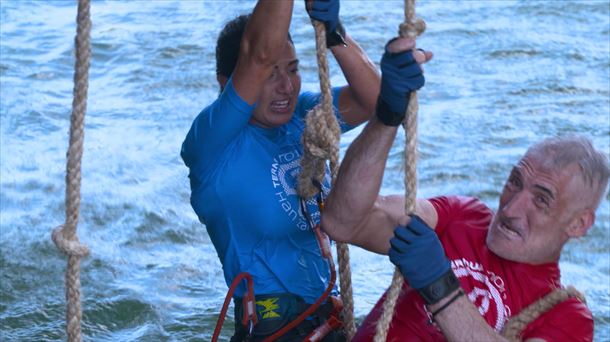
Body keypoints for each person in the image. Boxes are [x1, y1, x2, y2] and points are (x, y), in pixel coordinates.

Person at [320, 37, 609, 341]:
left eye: (541, 199)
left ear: (579, 223)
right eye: (515, 182)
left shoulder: (567, 317)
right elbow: (343, 222)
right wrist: (387, 116)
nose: (510, 209)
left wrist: (439, 285)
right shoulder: (460, 217)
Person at [180, 1, 423, 340]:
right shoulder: (213, 143)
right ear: (227, 84)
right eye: (270, 75)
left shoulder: (303, 117)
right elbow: (257, 53)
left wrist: (334, 32)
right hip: (272, 325)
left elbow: (377, 102)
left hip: (329, 314)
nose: (286, 86)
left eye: (293, 69)